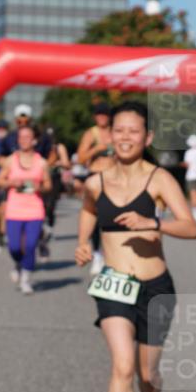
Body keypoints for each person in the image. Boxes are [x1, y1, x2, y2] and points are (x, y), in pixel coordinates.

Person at [74, 101, 196, 392]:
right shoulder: (95, 181)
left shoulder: (160, 179)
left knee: (147, 375)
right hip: (114, 285)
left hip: (156, 286)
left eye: (134, 131)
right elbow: (89, 209)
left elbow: (191, 227)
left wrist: (154, 223)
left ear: (147, 138)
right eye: (119, 130)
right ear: (110, 135)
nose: (126, 137)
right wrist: (82, 242)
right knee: (122, 366)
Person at [0, 126, 51, 295]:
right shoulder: (11, 160)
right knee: (13, 247)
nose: (24, 140)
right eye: (21, 137)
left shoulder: (41, 162)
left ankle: (26, 279)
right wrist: (12, 183)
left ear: (34, 140)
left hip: (34, 209)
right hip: (14, 209)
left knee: (30, 245)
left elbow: (49, 185)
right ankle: (19, 265)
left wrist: (39, 186)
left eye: (28, 137)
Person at [77, 102, 116, 274]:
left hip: (114, 178)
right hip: (94, 176)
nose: (102, 118)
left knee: (113, 217)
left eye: (105, 115)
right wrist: (96, 149)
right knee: (96, 217)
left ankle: (111, 253)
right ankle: (97, 253)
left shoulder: (116, 132)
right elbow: (80, 157)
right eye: (99, 115)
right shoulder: (91, 134)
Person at [38, 127, 71, 259]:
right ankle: (40, 229)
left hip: (54, 178)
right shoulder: (40, 146)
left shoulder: (59, 147)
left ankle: (49, 228)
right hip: (41, 179)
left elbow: (67, 164)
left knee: (50, 206)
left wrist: (57, 162)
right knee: (40, 206)